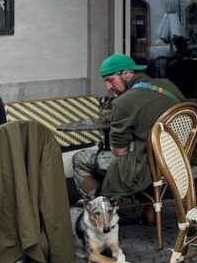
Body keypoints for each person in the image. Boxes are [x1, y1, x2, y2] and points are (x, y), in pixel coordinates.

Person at [72, 54, 184, 202]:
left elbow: (119, 151)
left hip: (148, 167)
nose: (109, 87)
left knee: (80, 159)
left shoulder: (123, 102)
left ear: (127, 73)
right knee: (141, 147)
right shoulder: (168, 85)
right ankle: (149, 209)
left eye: (110, 80)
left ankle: (100, 209)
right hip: (178, 158)